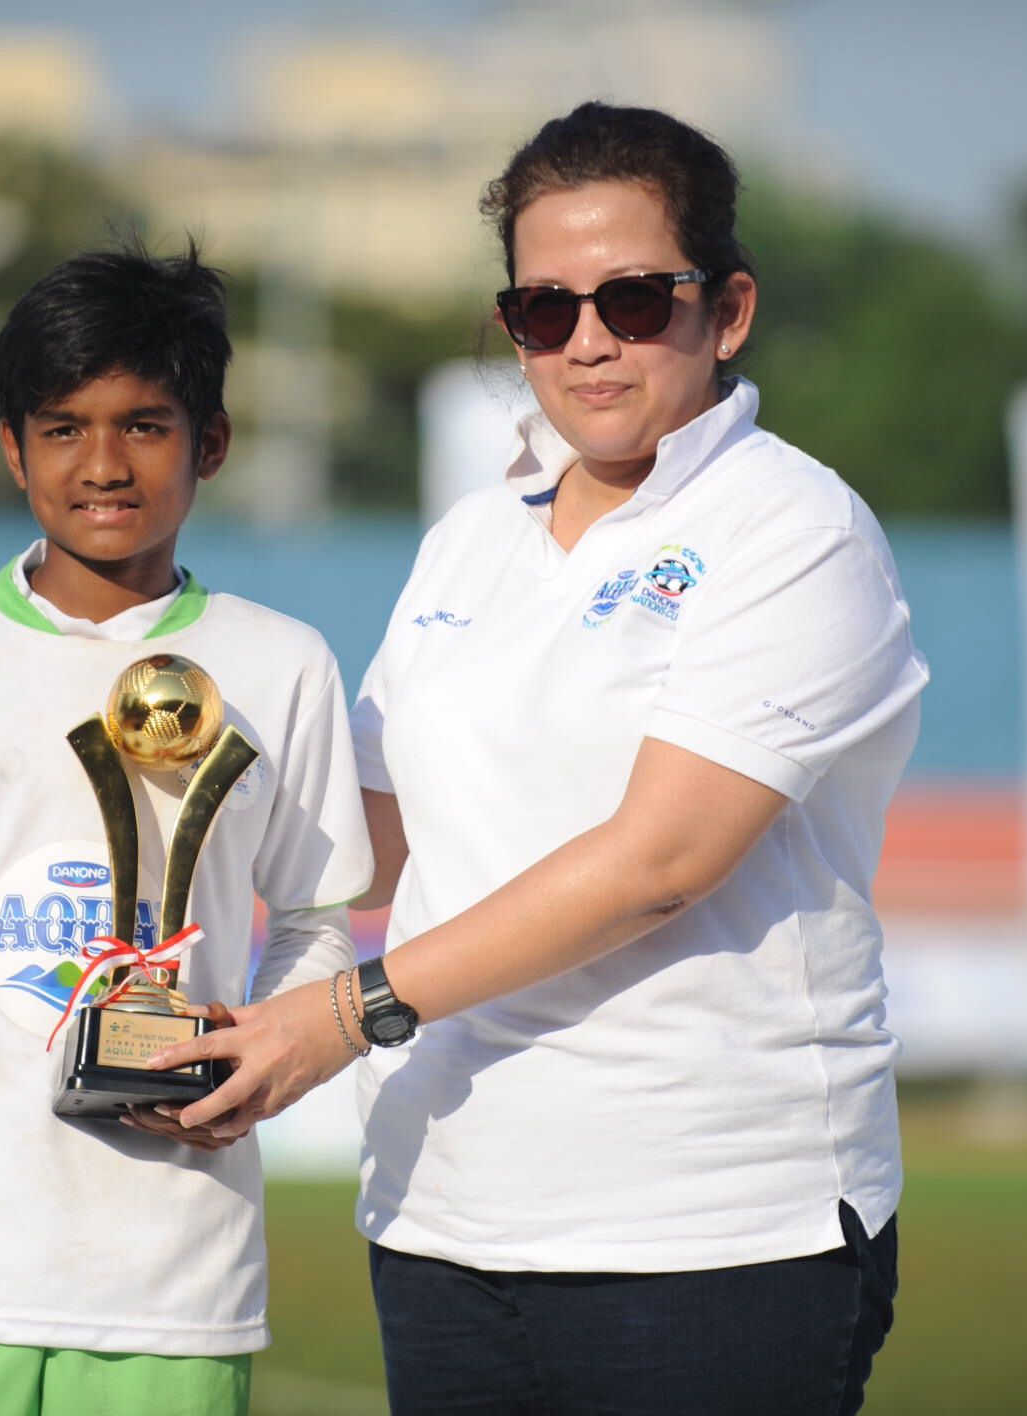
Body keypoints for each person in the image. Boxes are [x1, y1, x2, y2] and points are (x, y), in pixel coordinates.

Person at [150, 103, 927, 1414]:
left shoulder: (793, 529)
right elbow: (363, 836)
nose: (587, 341)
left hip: (711, 1230)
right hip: (443, 1212)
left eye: (633, 299)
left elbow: (657, 863)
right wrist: (129, 886)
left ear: (729, 310)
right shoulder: (473, 537)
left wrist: (336, 1018)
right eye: (543, 310)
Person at [0, 241, 372, 1416]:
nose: (102, 464)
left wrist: (255, 1058)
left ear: (210, 442)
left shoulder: (281, 662)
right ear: (11, 447)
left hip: (173, 1277)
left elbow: (313, 924)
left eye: (144, 425)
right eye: (62, 428)